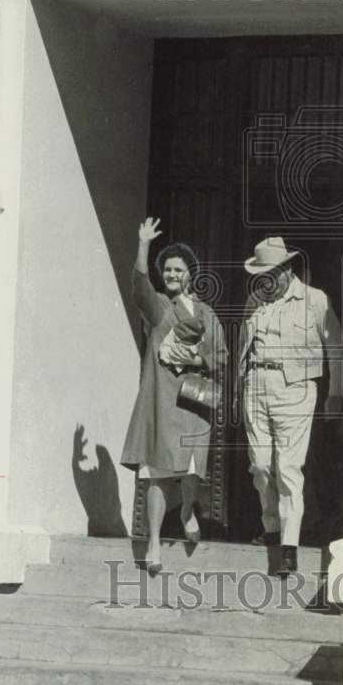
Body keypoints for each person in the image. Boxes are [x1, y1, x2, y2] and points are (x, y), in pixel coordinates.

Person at [121, 217, 227, 573]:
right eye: (166, 269)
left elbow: (221, 357)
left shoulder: (208, 315)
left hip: (194, 403)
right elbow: (139, 284)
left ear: (190, 274)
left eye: (178, 269)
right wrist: (143, 244)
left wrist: (197, 357)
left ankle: (185, 510)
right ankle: (153, 541)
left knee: (191, 472)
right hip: (162, 401)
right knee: (156, 473)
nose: (171, 274)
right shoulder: (158, 308)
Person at [238, 236, 343, 577]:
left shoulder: (315, 301)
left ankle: (288, 548)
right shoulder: (254, 301)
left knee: (288, 469)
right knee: (261, 467)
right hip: (256, 387)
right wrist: (240, 391)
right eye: (260, 274)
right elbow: (244, 350)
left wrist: (336, 393)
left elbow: (337, 348)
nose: (265, 280)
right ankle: (270, 526)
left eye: (271, 272)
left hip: (296, 390)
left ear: (286, 270)